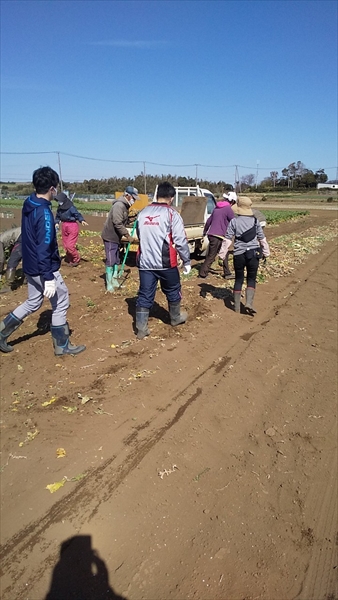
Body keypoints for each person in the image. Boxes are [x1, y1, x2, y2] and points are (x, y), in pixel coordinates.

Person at [0, 166, 86, 355]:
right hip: (43, 267)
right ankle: (62, 346)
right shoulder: (45, 215)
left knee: (33, 302)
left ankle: (2, 332)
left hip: (30, 265)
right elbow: (44, 246)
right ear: (52, 189)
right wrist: (48, 277)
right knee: (61, 301)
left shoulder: (29, 202)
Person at [135, 181, 191, 339]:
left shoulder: (143, 212)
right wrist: (186, 261)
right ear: (172, 198)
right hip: (166, 263)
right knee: (173, 290)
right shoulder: (172, 214)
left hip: (145, 262)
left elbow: (140, 235)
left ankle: (141, 328)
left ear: (157, 195)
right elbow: (180, 240)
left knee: (145, 294)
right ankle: (175, 318)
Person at [221, 196, 270, 314]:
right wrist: (266, 253)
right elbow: (262, 238)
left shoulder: (234, 221)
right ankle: (249, 303)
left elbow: (227, 240)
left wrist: (222, 255)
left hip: (239, 254)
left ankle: (237, 307)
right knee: (251, 279)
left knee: (238, 279)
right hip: (253, 254)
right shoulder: (255, 221)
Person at [101, 186, 140, 292]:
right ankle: (109, 284)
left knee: (116, 259)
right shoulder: (119, 206)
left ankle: (114, 280)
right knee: (111, 259)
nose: (134, 200)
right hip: (110, 236)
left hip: (116, 237)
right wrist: (128, 236)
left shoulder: (124, 206)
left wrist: (134, 218)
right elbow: (117, 223)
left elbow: (124, 221)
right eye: (133, 198)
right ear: (127, 195)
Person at [199, 193, 235, 279]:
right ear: (232, 201)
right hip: (219, 236)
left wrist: (205, 231)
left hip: (212, 234)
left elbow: (209, 221)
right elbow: (234, 222)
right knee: (212, 255)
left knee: (224, 253)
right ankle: (202, 274)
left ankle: (227, 273)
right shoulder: (228, 209)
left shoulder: (217, 208)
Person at [55, 193, 88, 266]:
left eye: (60, 200)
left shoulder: (71, 207)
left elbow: (77, 214)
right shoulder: (60, 208)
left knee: (70, 245)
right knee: (66, 246)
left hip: (72, 225)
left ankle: (76, 258)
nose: (59, 202)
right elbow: (57, 217)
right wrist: (56, 222)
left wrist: (81, 220)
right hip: (64, 226)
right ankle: (71, 260)